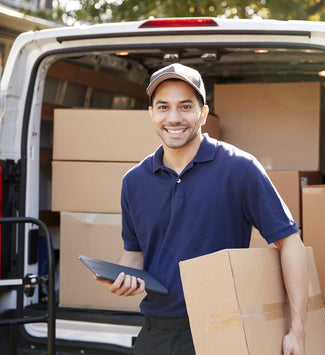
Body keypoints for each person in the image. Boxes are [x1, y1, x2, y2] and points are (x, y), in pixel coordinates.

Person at [96, 63, 308, 355]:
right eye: (163, 107)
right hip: (157, 332)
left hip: (222, 330)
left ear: (203, 114)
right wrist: (123, 278)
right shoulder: (134, 182)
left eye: (185, 107)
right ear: (151, 114)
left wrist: (297, 331)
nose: (173, 118)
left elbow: (290, 242)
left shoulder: (240, 169)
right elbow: (135, 251)